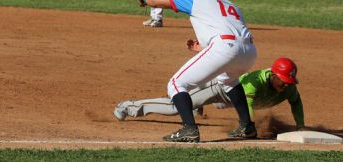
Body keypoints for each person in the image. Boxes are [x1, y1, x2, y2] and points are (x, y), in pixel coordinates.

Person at [123, 0, 258, 142]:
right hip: (249, 51)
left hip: (225, 48)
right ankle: (247, 126)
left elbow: (156, 2)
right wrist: (205, 48)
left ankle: (189, 129)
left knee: (176, 84)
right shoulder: (231, 5)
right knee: (229, 80)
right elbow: (232, 34)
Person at [114, 57, 305, 132]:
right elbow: (246, 107)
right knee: (177, 107)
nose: (285, 85)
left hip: (230, 100)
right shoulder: (255, 82)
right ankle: (129, 107)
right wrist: (250, 127)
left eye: (289, 82)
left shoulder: (288, 88)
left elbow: (296, 103)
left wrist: (300, 126)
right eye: (283, 81)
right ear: (273, 75)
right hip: (220, 89)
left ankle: (197, 102)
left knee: (216, 104)